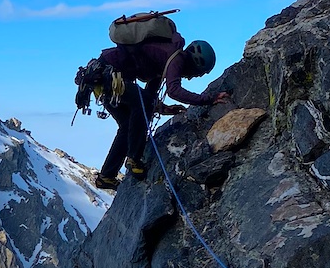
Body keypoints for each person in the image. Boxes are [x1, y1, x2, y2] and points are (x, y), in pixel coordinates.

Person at [75, 21, 227, 189]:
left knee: (126, 125)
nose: (192, 77)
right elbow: (173, 91)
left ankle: (106, 177)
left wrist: (163, 108)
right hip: (109, 77)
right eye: (197, 74)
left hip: (101, 78)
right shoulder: (176, 58)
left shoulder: (164, 60)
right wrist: (209, 99)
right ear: (196, 63)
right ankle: (134, 159)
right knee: (135, 113)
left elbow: (149, 97)